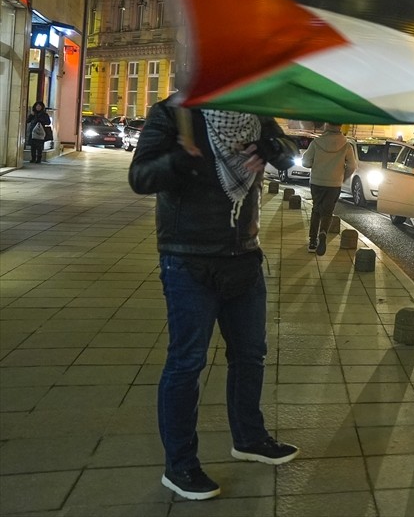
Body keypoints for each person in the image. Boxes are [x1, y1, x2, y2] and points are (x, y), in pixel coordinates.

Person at [129, 101, 301, 501]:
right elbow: (140, 177)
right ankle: (180, 465)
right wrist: (179, 161)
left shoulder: (254, 112)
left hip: (243, 254)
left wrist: (274, 148)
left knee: (250, 355)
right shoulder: (173, 114)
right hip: (188, 257)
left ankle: (249, 438)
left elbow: (289, 152)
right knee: (186, 362)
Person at [302, 123, 357, 255]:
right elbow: (352, 166)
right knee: (327, 212)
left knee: (316, 209)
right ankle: (323, 233)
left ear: (327, 126)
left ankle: (312, 242)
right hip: (334, 183)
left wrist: (316, 164)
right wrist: (343, 177)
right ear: (340, 127)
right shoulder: (346, 145)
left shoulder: (316, 143)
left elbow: (305, 162)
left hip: (317, 181)